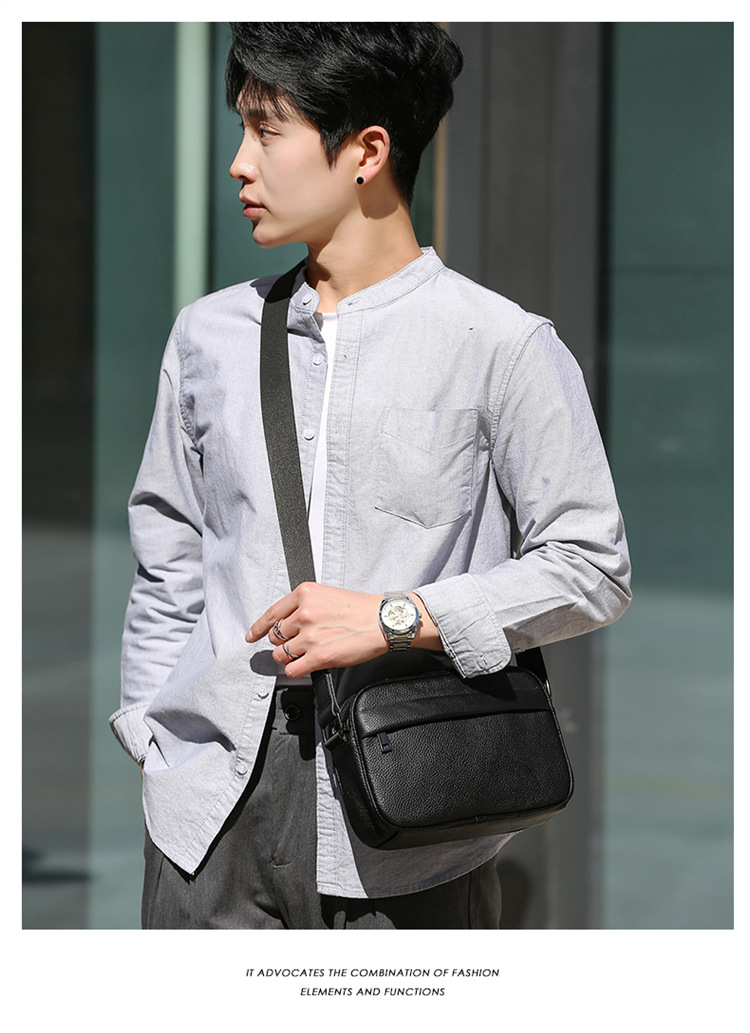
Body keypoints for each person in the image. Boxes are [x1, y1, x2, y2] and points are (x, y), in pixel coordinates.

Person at [110, 22, 631, 929]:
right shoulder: (207, 337)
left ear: (367, 151)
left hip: (407, 822)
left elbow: (591, 566)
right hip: (207, 816)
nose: (239, 163)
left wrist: (395, 617)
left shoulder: (501, 346)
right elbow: (169, 558)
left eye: (266, 130)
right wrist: (153, 742)